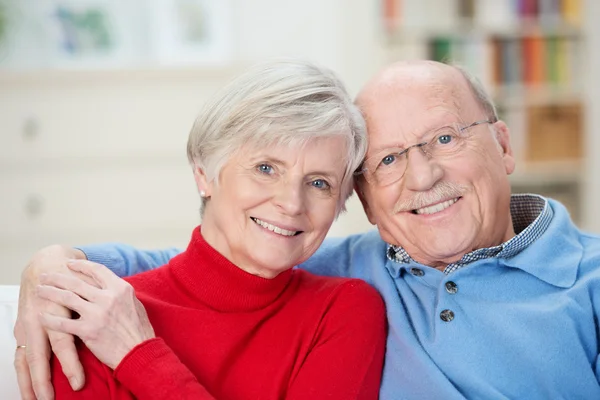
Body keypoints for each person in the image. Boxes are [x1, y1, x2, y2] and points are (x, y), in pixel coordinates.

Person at [16, 60, 600, 399]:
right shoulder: (340, 265)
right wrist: (52, 265)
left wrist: (138, 356)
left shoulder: (590, 283)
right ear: (366, 200)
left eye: (445, 138)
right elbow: (204, 268)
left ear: (502, 145)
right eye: (389, 160)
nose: (423, 176)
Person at [14, 59, 387, 399]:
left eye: (319, 183)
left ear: (340, 204)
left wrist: (138, 355)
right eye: (266, 168)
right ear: (204, 174)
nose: (291, 203)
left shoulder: (345, 312)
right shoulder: (98, 317)